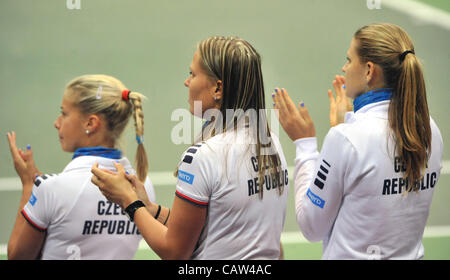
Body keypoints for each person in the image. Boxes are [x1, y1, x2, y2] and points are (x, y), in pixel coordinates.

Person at [91, 36, 289, 260]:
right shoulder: (270, 143)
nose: (187, 82)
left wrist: (129, 201)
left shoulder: (203, 157)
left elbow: (175, 252)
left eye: (192, 74)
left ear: (218, 88)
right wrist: (148, 207)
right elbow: (211, 228)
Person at [272, 23, 443, 259]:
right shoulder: (429, 129)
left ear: (369, 71)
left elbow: (312, 227)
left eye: (349, 60)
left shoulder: (346, 139)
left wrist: (305, 145)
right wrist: (344, 129)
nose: (344, 67)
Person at [7, 74, 155, 260]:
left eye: (64, 113)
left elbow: (17, 258)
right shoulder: (144, 185)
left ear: (90, 123)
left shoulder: (50, 188)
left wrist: (29, 185)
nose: (57, 123)